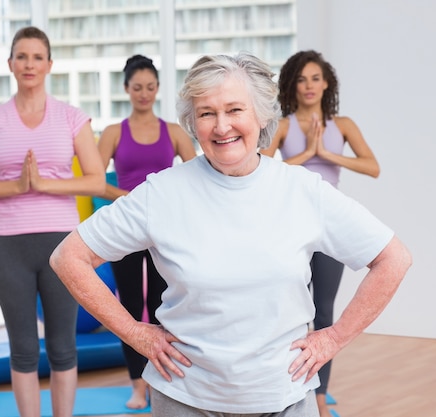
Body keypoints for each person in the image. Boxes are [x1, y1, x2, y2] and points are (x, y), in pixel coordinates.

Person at [50, 52, 412, 417]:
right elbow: (69, 257)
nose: (222, 126)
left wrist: (332, 338)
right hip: (186, 398)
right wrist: (136, 333)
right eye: (207, 113)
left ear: (261, 114)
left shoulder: (303, 190)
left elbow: (393, 258)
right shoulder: (161, 193)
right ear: (193, 123)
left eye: (235, 110)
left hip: (284, 397)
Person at [0, 26, 105, 417]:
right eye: (22, 56)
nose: (29, 64)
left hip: (62, 246)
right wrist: (17, 186)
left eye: (37, 57)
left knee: (62, 347)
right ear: (10, 64)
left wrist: (44, 183)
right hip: (9, 246)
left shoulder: (72, 118)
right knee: (22, 349)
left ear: (49, 65)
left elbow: (94, 179)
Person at [260, 49, 380, 417]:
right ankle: (279, 385)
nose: (309, 85)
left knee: (323, 313)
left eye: (315, 78)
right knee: (282, 311)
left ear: (326, 83)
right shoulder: (282, 125)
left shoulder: (341, 125)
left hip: (328, 226)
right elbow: (261, 166)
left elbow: (371, 166)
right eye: (301, 79)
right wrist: (306, 152)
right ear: (291, 86)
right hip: (291, 225)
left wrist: (327, 155)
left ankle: (320, 396)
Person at [96, 54, 197, 409]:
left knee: (160, 306)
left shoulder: (172, 131)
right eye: (137, 87)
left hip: (164, 232)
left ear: (157, 89)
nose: (144, 93)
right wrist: (131, 199)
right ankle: (137, 385)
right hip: (125, 228)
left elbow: (198, 172)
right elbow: (94, 181)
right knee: (128, 307)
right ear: (126, 89)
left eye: (150, 87)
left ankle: (160, 381)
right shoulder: (112, 133)